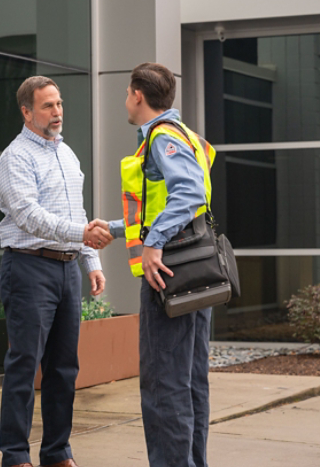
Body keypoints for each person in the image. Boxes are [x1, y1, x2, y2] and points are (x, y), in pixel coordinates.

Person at [0, 76, 110, 467]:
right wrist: (82, 234)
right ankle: (14, 456)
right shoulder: (16, 158)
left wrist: (89, 260)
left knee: (63, 369)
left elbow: (74, 210)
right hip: (28, 269)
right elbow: (29, 216)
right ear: (27, 112)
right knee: (25, 365)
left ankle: (57, 453)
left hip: (66, 271)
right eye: (48, 106)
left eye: (59, 104)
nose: (57, 112)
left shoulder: (66, 153)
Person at [103, 62, 215, 467]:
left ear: (137, 94)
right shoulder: (184, 135)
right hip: (194, 274)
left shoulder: (161, 138)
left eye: (126, 94)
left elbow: (188, 193)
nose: (126, 102)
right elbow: (162, 208)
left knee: (164, 385)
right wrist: (116, 229)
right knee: (189, 384)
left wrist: (152, 244)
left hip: (168, 278)